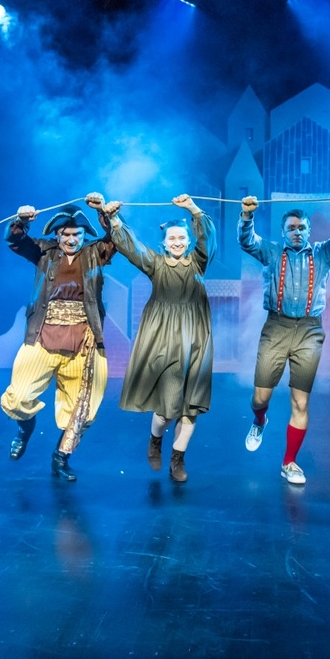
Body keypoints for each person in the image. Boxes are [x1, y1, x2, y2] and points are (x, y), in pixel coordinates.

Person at [240, 191, 330, 486]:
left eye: (301, 227)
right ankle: (259, 420)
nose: (296, 232)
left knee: (301, 403)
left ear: (308, 230)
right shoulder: (271, 252)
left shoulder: (323, 253)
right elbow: (247, 241)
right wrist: (247, 215)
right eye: (291, 228)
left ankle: (289, 462)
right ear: (283, 232)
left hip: (309, 331)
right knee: (260, 398)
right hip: (276, 327)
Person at [0, 194, 116, 481]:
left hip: (83, 339)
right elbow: (15, 240)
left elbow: (118, 240)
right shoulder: (44, 251)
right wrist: (21, 220)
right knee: (19, 397)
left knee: (83, 407)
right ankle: (25, 428)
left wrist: (104, 213)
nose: (71, 240)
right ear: (57, 234)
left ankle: (61, 457)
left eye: (77, 235)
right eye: (66, 234)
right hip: (43, 334)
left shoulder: (95, 253)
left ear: (84, 235)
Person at [103, 194, 214, 483]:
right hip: (166, 339)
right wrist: (114, 219)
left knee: (191, 407)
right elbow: (132, 248)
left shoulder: (198, 263)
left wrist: (192, 208)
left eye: (182, 238)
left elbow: (208, 238)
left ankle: (178, 458)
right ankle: (155, 439)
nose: (177, 242)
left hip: (196, 339)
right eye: (172, 238)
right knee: (166, 410)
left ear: (188, 241)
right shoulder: (156, 263)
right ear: (164, 243)